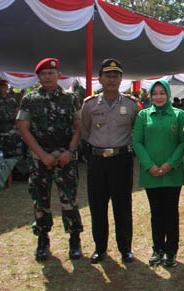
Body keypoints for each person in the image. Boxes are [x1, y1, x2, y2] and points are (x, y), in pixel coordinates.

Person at [16, 58, 83, 262]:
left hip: (65, 159)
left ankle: (74, 239)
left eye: (51, 73)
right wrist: (42, 154)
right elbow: (22, 127)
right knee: (40, 201)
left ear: (58, 76)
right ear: (38, 77)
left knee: (69, 200)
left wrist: (70, 150)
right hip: (40, 160)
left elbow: (79, 125)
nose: (47, 77)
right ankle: (43, 240)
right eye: (43, 74)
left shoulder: (70, 98)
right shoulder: (29, 99)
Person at [80, 59, 139, 264]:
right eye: (108, 75)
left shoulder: (132, 104)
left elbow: (136, 130)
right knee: (97, 205)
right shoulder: (89, 105)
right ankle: (100, 248)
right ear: (100, 79)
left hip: (121, 160)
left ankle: (125, 249)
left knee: (123, 206)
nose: (112, 79)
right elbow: (85, 131)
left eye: (116, 76)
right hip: (97, 161)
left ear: (121, 79)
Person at [133, 79, 184, 268]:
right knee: (156, 213)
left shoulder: (179, 115)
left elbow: (183, 142)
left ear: (168, 94)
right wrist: (150, 165)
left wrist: (169, 164)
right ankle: (158, 249)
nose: (158, 96)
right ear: (150, 95)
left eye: (162, 93)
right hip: (151, 174)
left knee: (171, 213)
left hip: (172, 174)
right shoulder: (143, 115)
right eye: (154, 93)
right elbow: (137, 142)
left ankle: (171, 252)